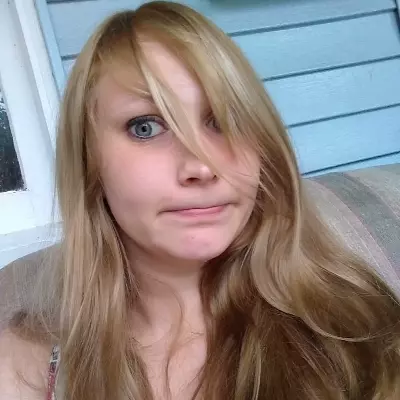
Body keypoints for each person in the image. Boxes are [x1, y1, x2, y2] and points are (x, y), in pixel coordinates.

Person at [1, 2, 400, 399]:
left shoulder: (355, 322)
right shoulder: (25, 368)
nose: (202, 167)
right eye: (145, 127)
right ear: (89, 162)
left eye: (223, 120)